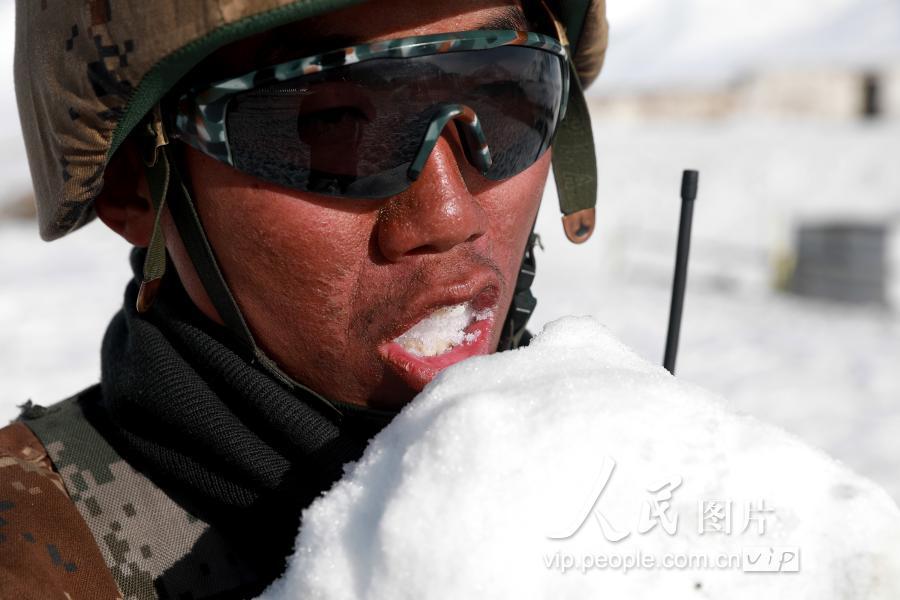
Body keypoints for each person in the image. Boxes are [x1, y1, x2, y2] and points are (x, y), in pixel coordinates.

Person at [1, 0, 608, 597]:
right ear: (135, 185)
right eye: (331, 122)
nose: (448, 217)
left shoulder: (636, 482)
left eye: (504, 93)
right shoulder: (30, 559)